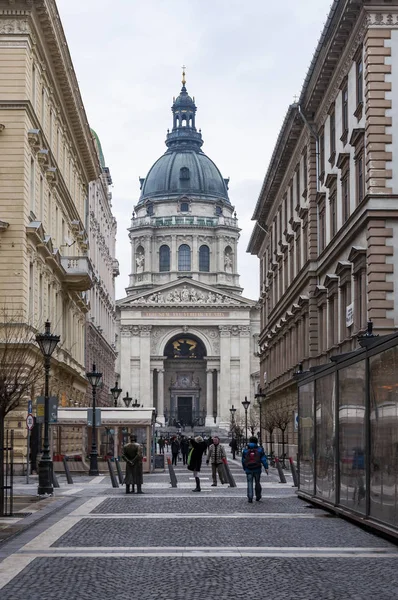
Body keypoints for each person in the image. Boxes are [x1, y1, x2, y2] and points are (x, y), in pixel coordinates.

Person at [241, 436, 268, 503]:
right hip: (257, 469)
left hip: (248, 469)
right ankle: (258, 496)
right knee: (257, 482)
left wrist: (245, 468)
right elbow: (263, 459)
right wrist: (266, 467)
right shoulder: (260, 449)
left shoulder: (245, 450)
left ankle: (250, 497)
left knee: (249, 483)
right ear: (256, 442)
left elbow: (243, 460)